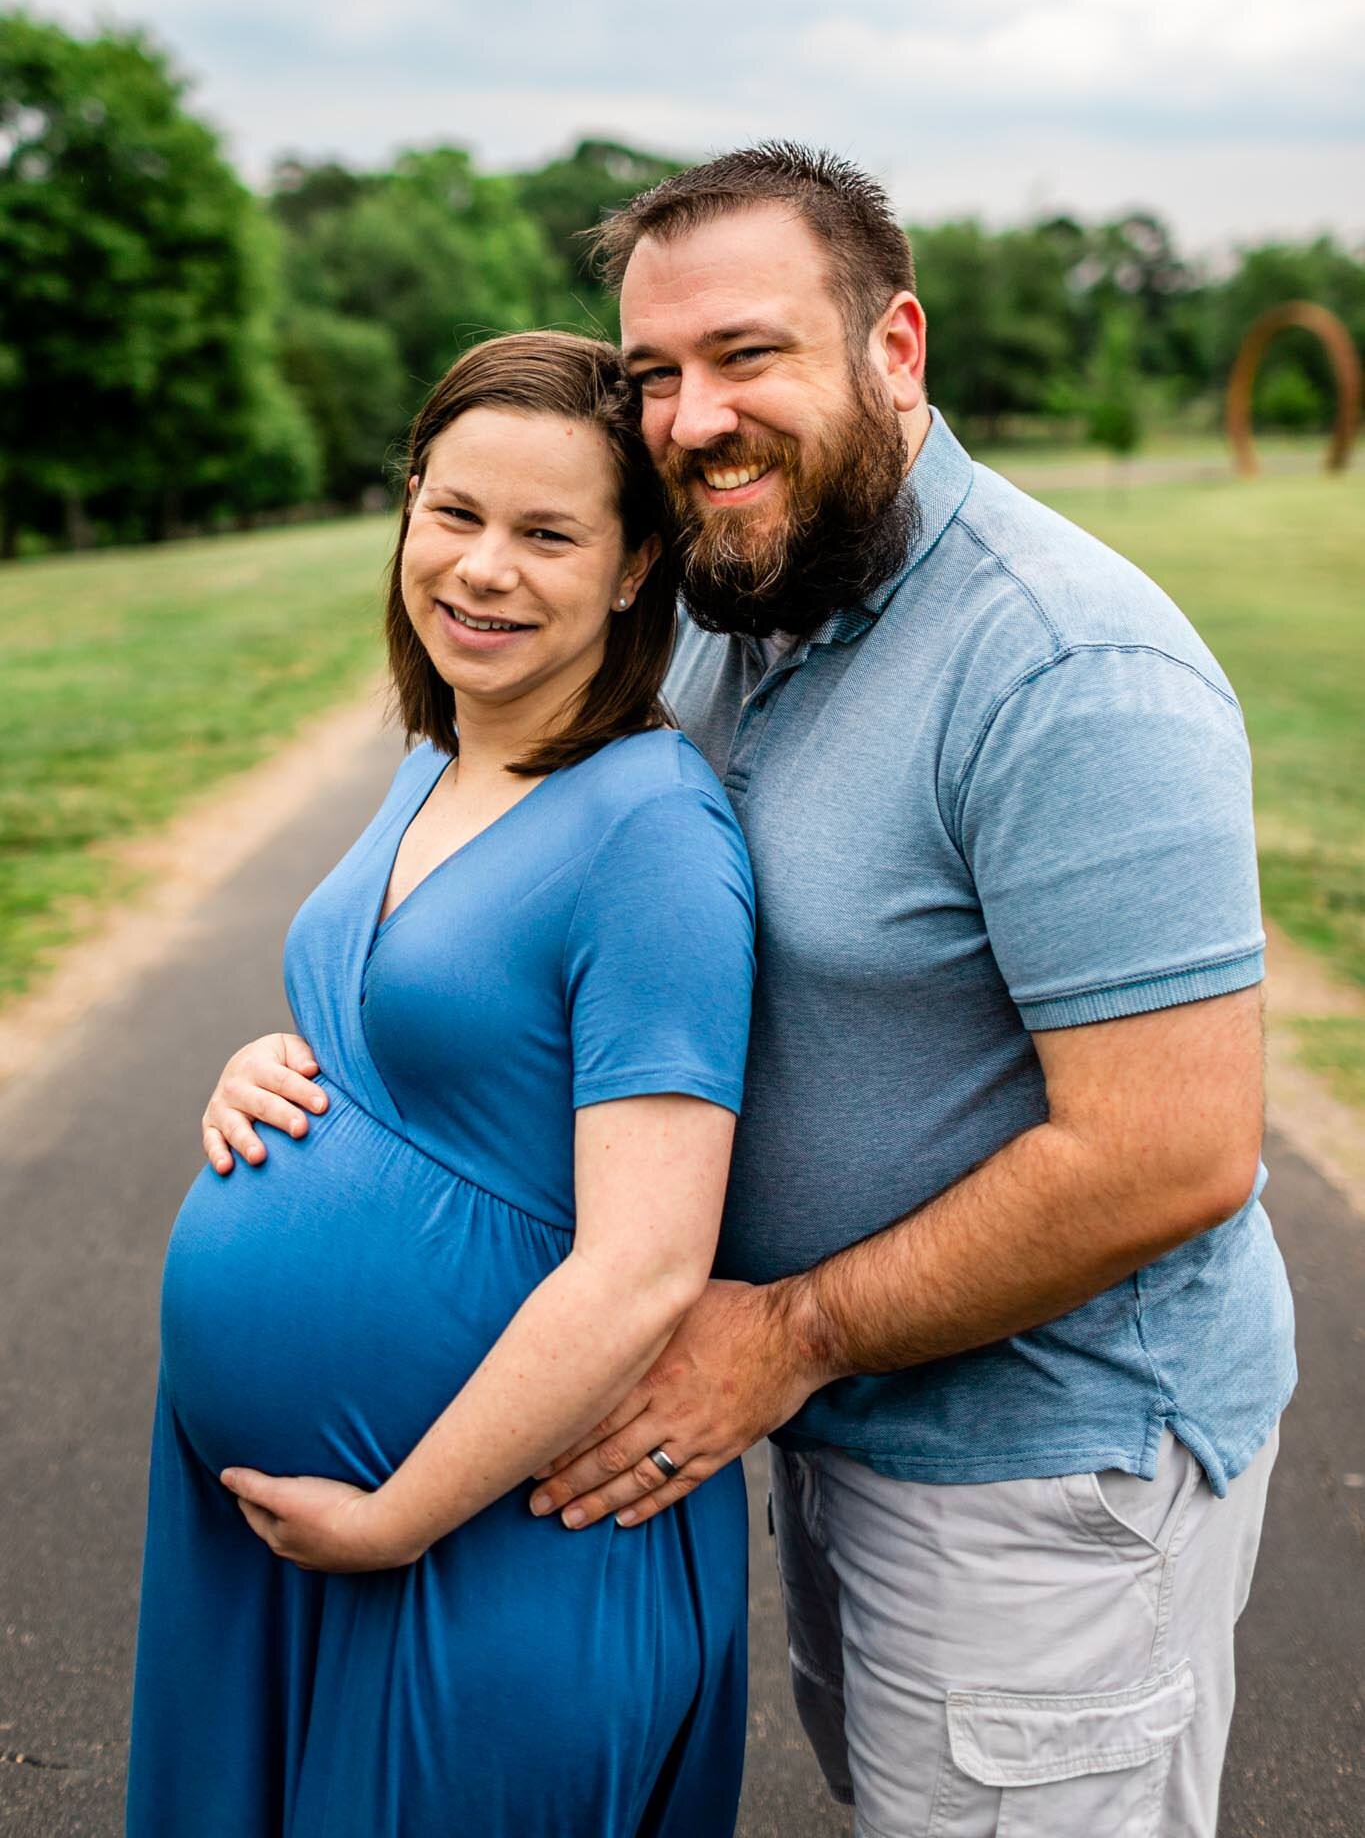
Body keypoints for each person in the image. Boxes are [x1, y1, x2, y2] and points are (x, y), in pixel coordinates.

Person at [208, 148, 1296, 1838]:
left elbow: (1169, 1156)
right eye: (654, 373)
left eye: (746, 354)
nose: (692, 414)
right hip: (830, 1433)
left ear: (896, 348)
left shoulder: (1070, 671)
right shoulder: (738, 599)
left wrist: (785, 1334)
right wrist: (331, 1075)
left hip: (1040, 1465)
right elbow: (545, 928)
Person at [128, 332, 757, 1838]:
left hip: (490, 1543)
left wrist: (393, 1521)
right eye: (455, 513)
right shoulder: (441, 757)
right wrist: (277, 1059)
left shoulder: (656, 839)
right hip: (291, 1547)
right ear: (407, 507)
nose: (483, 569)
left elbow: (646, 1264)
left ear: (631, 570)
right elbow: (431, 1039)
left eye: (548, 534)